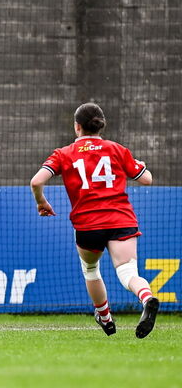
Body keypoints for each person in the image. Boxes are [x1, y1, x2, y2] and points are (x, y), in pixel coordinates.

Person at [30, 102, 159, 338]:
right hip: (121, 219)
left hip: (88, 224)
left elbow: (36, 181)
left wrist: (42, 202)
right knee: (128, 272)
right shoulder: (117, 149)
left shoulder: (63, 153)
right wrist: (141, 165)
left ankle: (104, 316)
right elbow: (146, 179)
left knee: (91, 269)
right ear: (101, 126)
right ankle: (147, 298)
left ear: (77, 126)